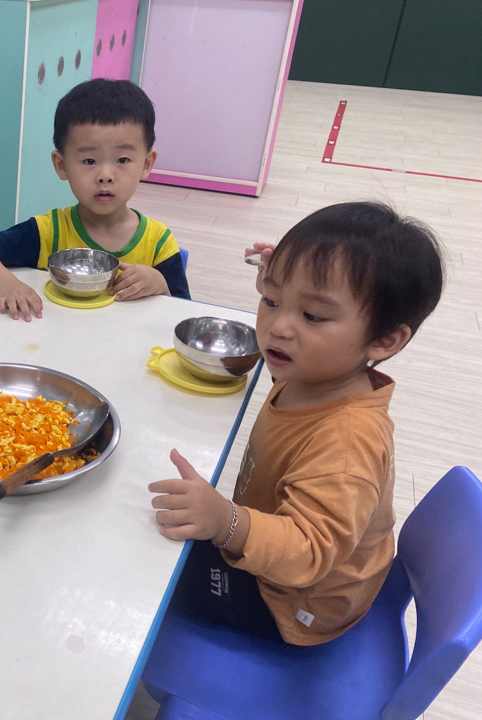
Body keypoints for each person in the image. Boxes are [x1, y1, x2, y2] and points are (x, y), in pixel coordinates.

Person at [149, 201, 444, 645]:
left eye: (313, 316)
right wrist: (291, 281)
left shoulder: (348, 444)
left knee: (152, 575)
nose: (278, 327)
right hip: (274, 553)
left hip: (294, 602)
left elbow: (308, 552)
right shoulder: (316, 372)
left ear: (384, 339)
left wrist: (226, 521)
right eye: (270, 301)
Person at [0, 78, 190, 322]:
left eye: (122, 160)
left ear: (146, 164)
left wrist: (159, 283)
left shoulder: (158, 243)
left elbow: (185, 313)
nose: (105, 176)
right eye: (90, 161)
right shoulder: (48, 232)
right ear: (62, 165)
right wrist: (8, 285)